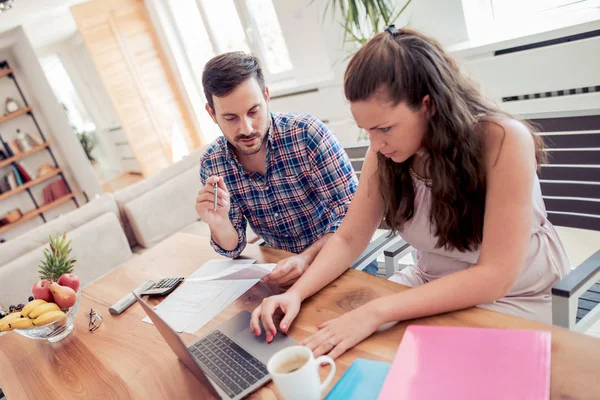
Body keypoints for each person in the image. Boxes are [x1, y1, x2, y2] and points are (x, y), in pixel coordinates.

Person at [249, 27, 570, 357]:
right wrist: (296, 294)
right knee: (337, 337)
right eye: (368, 131)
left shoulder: (504, 140)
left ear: (428, 105)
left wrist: (378, 311)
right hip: (430, 282)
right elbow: (348, 238)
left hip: (515, 295)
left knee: (436, 364)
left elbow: (495, 276)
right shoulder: (385, 151)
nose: (375, 144)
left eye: (385, 128)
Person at [195, 52, 378, 287]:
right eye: (230, 118)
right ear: (212, 113)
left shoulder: (307, 135)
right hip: (283, 277)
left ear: (267, 96)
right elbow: (233, 249)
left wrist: (305, 259)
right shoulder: (213, 163)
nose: (247, 128)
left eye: (253, 111)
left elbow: (354, 218)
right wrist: (219, 223)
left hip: (345, 264)